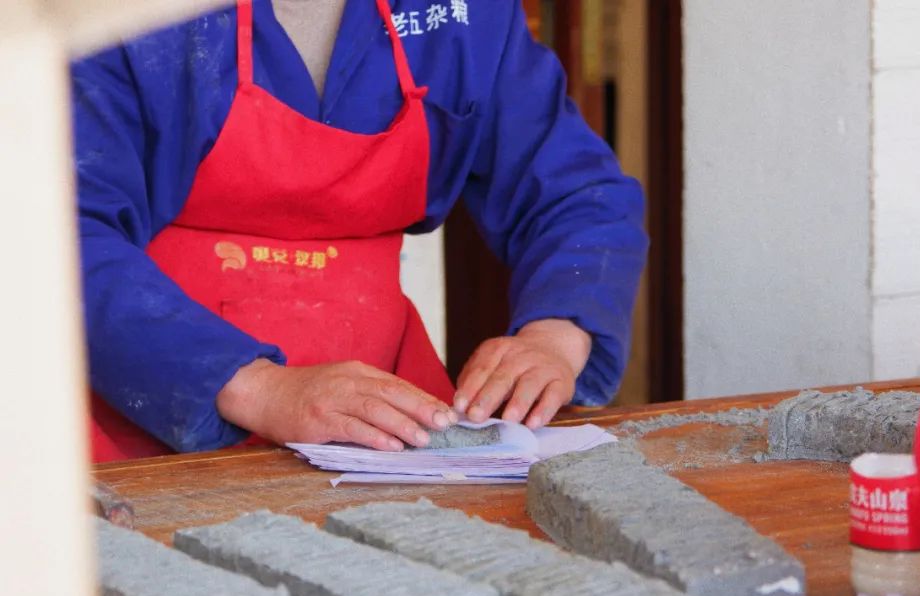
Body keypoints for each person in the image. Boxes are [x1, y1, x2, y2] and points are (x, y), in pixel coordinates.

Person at [73, 0, 647, 462]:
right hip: (147, 415)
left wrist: (554, 337)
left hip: (385, 439)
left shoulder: (463, 14)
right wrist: (262, 389)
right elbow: (57, 232)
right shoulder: (120, 16)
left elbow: (578, 194)